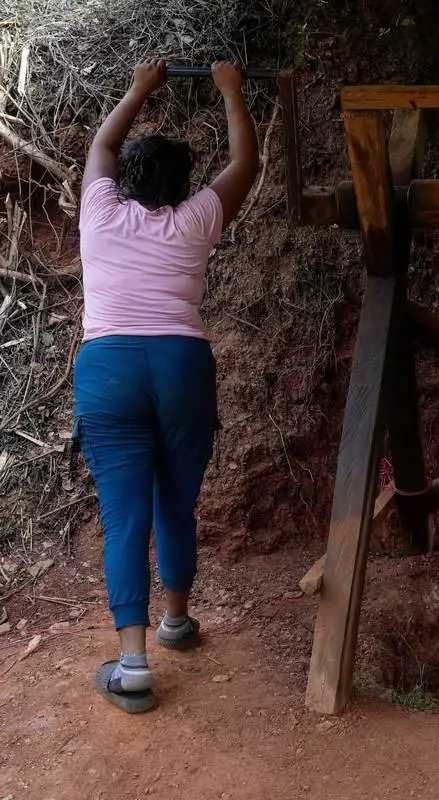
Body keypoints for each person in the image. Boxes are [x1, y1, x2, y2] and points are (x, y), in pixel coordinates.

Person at [73, 60, 258, 713]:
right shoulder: (195, 221)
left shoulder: (99, 211)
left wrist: (142, 85)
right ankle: (176, 622)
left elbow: (102, 144)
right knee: (175, 502)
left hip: (109, 369)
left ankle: (133, 665)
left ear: (126, 182)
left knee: (125, 517)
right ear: (183, 188)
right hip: (181, 364)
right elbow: (245, 164)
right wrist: (231, 90)